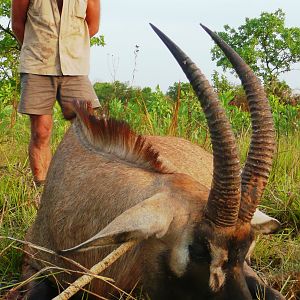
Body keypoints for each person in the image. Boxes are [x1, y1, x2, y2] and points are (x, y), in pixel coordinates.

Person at [11, 0, 101, 186]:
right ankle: (42, 189)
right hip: (38, 65)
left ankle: (82, 186)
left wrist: (69, 48)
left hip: (75, 67)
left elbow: (92, 26)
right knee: (40, 131)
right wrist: (39, 49)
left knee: (89, 127)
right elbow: (18, 25)